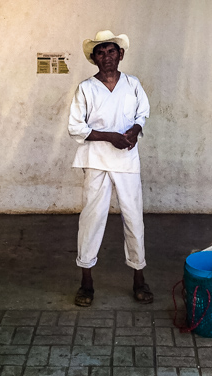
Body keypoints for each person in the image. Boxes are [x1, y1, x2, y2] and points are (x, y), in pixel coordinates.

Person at [68, 30, 152, 307]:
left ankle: (139, 277)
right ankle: (86, 281)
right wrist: (110, 136)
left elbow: (143, 113)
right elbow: (76, 127)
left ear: (121, 55)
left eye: (111, 51)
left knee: (133, 218)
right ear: (94, 58)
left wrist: (134, 130)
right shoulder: (86, 88)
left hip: (127, 160)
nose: (106, 57)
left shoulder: (133, 84)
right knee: (92, 219)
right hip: (96, 161)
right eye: (101, 52)